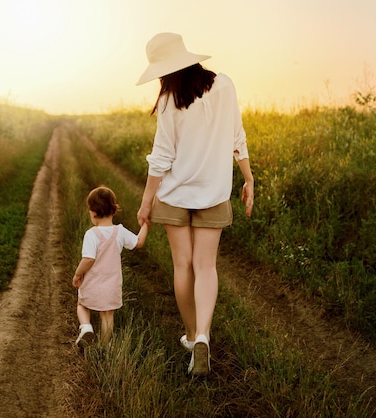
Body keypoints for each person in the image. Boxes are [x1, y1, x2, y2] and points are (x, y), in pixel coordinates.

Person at [136, 33, 254, 376]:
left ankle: (190, 335)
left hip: (174, 195)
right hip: (214, 193)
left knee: (182, 266)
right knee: (206, 266)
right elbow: (237, 136)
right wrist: (248, 178)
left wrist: (146, 203)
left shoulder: (169, 99)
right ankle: (203, 335)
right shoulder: (226, 85)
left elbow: (161, 158)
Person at [73, 186, 148, 350]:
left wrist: (78, 274)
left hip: (93, 282)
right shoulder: (119, 232)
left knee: (82, 304)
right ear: (114, 211)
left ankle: (86, 327)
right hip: (112, 285)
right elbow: (138, 242)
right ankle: (104, 347)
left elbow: (88, 259)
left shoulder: (91, 234)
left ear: (92, 212)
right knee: (107, 315)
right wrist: (145, 225)